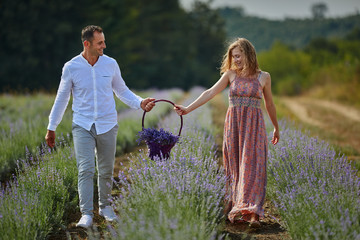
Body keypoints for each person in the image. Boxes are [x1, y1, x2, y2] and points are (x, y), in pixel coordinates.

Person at [45, 25, 155, 228]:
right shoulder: (71, 67)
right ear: (87, 44)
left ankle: (106, 207)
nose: (104, 45)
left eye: (103, 41)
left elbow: (122, 91)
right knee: (85, 169)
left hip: (108, 124)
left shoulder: (111, 64)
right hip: (83, 125)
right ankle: (86, 213)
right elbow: (62, 98)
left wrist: (140, 103)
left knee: (105, 170)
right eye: (100, 43)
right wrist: (52, 126)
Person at [175, 38, 279, 228]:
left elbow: (269, 104)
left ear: (249, 54)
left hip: (254, 127)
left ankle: (253, 211)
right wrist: (188, 108)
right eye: (233, 57)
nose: (236, 60)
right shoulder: (231, 75)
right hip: (234, 127)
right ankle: (235, 204)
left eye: (239, 56)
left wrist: (276, 127)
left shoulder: (264, 77)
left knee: (253, 166)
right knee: (234, 165)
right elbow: (210, 92)